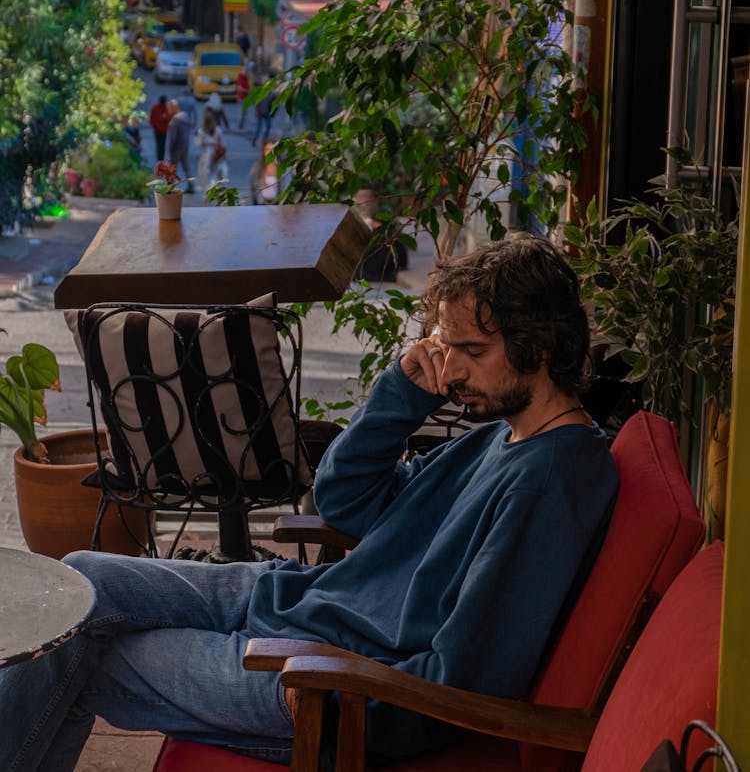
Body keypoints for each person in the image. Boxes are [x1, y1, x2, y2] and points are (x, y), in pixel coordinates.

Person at [0, 237, 619, 771]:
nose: (451, 371)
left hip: (322, 680)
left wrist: (323, 679)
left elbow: (464, 678)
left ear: (537, 349)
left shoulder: (551, 483)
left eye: (472, 352)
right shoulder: (499, 435)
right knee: (77, 578)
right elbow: (349, 502)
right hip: (299, 602)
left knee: (77, 652)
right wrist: (403, 390)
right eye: (445, 345)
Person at [165, 98, 194, 193]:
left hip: (176, 147)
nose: (168, 111)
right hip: (185, 145)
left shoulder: (175, 120)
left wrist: (170, 148)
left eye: (169, 108)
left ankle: (170, 187)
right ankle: (191, 185)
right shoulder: (185, 116)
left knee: (172, 168)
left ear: (174, 108)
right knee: (186, 166)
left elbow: (173, 136)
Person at [195, 108, 228, 192]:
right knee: (215, 173)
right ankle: (215, 188)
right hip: (217, 153)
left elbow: (198, 144)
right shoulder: (218, 130)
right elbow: (223, 143)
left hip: (206, 154)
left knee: (205, 173)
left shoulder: (202, 131)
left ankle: (208, 190)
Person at [249, 139, 279, 204]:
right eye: (267, 149)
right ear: (263, 151)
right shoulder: (257, 167)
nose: (269, 152)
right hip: (262, 204)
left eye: (272, 150)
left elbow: (286, 187)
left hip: (278, 205)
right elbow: (253, 189)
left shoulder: (283, 168)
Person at [251, 80, 276, 147]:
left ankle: (264, 141)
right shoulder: (261, 93)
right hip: (261, 113)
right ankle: (254, 141)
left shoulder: (270, 93)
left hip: (267, 112)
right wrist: (257, 112)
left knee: (268, 127)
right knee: (259, 128)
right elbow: (257, 103)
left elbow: (273, 99)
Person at [148, 95, 170, 162]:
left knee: (162, 144)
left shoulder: (167, 108)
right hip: (157, 129)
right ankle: (159, 158)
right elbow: (151, 117)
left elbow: (170, 118)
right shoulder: (155, 107)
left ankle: (161, 158)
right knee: (159, 144)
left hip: (165, 129)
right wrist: (154, 125)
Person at [235, 61, 252, 129]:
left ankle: (241, 126)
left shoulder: (246, 77)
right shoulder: (240, 77)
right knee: (242, 113)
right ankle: (240, 126)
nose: (246, 72)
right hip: (241, 98)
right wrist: (247, 91)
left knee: (244, 113)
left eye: (247, 71)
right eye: (246, 71)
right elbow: (239, 88)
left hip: (245, 98)